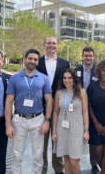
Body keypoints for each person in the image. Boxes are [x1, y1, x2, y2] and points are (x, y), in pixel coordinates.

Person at [5, 49, 53, 173]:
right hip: (19, 119)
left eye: (35, 59)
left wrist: (47, 121)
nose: (32, 61)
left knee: (38, 154)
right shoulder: (14, 78)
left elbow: (49, 101)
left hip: (38, 119)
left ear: (38, 62)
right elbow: (9, 102)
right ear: (25, 59)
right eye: (30, 58)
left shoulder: (44, 78)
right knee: (17, 154)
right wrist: (8, 125)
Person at [36, 36, 70, 174]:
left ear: (57, 45)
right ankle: (42, 170)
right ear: (44, 45)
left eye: (54, 43)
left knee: (58, 141)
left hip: (59, 109)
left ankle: (58, 169)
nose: (51, 45)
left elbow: (68, 84)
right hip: (40, 108)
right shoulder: (37, 63)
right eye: (49, 43)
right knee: (41, 143)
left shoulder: (65, 63)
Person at [52, 68, 89, 174]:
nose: (66, 80)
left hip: (77, 129)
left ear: (74, 79)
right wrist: (54, 131)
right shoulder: (59, 93)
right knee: (66, 158)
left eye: (69, 78)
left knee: (74, 161)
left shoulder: (82, 92)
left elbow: (85, 112)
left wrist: (86, 130)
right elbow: (55, 112)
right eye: (64, 78)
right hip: (62, 129)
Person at [74, 46, 99, 174]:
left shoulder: (98, 71)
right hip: (78, 108)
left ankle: (94, 164)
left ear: (93, 57)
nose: (88, 57)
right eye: (86, 55)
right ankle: (74, 162)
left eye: (90, 55)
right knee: (77, 135)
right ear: (82, 56)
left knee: (93, 137)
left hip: (94, 108)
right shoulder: (75, 71)